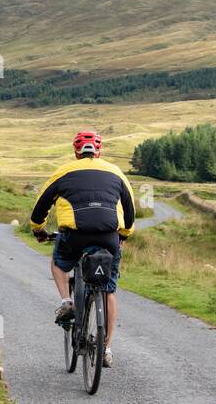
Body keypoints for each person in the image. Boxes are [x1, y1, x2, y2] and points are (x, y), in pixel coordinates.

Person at [29, 130, 136, 368]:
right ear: (99, 150)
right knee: (108, 290)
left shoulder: (64, 171)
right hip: (109, 236)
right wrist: (124, 235)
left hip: (74, 235)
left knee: (59, 263)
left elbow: (42, 205)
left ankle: (67, 301)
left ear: (76, 151)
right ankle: (106, 349)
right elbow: (129, 209)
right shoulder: (115, 171)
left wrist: (38, 229)